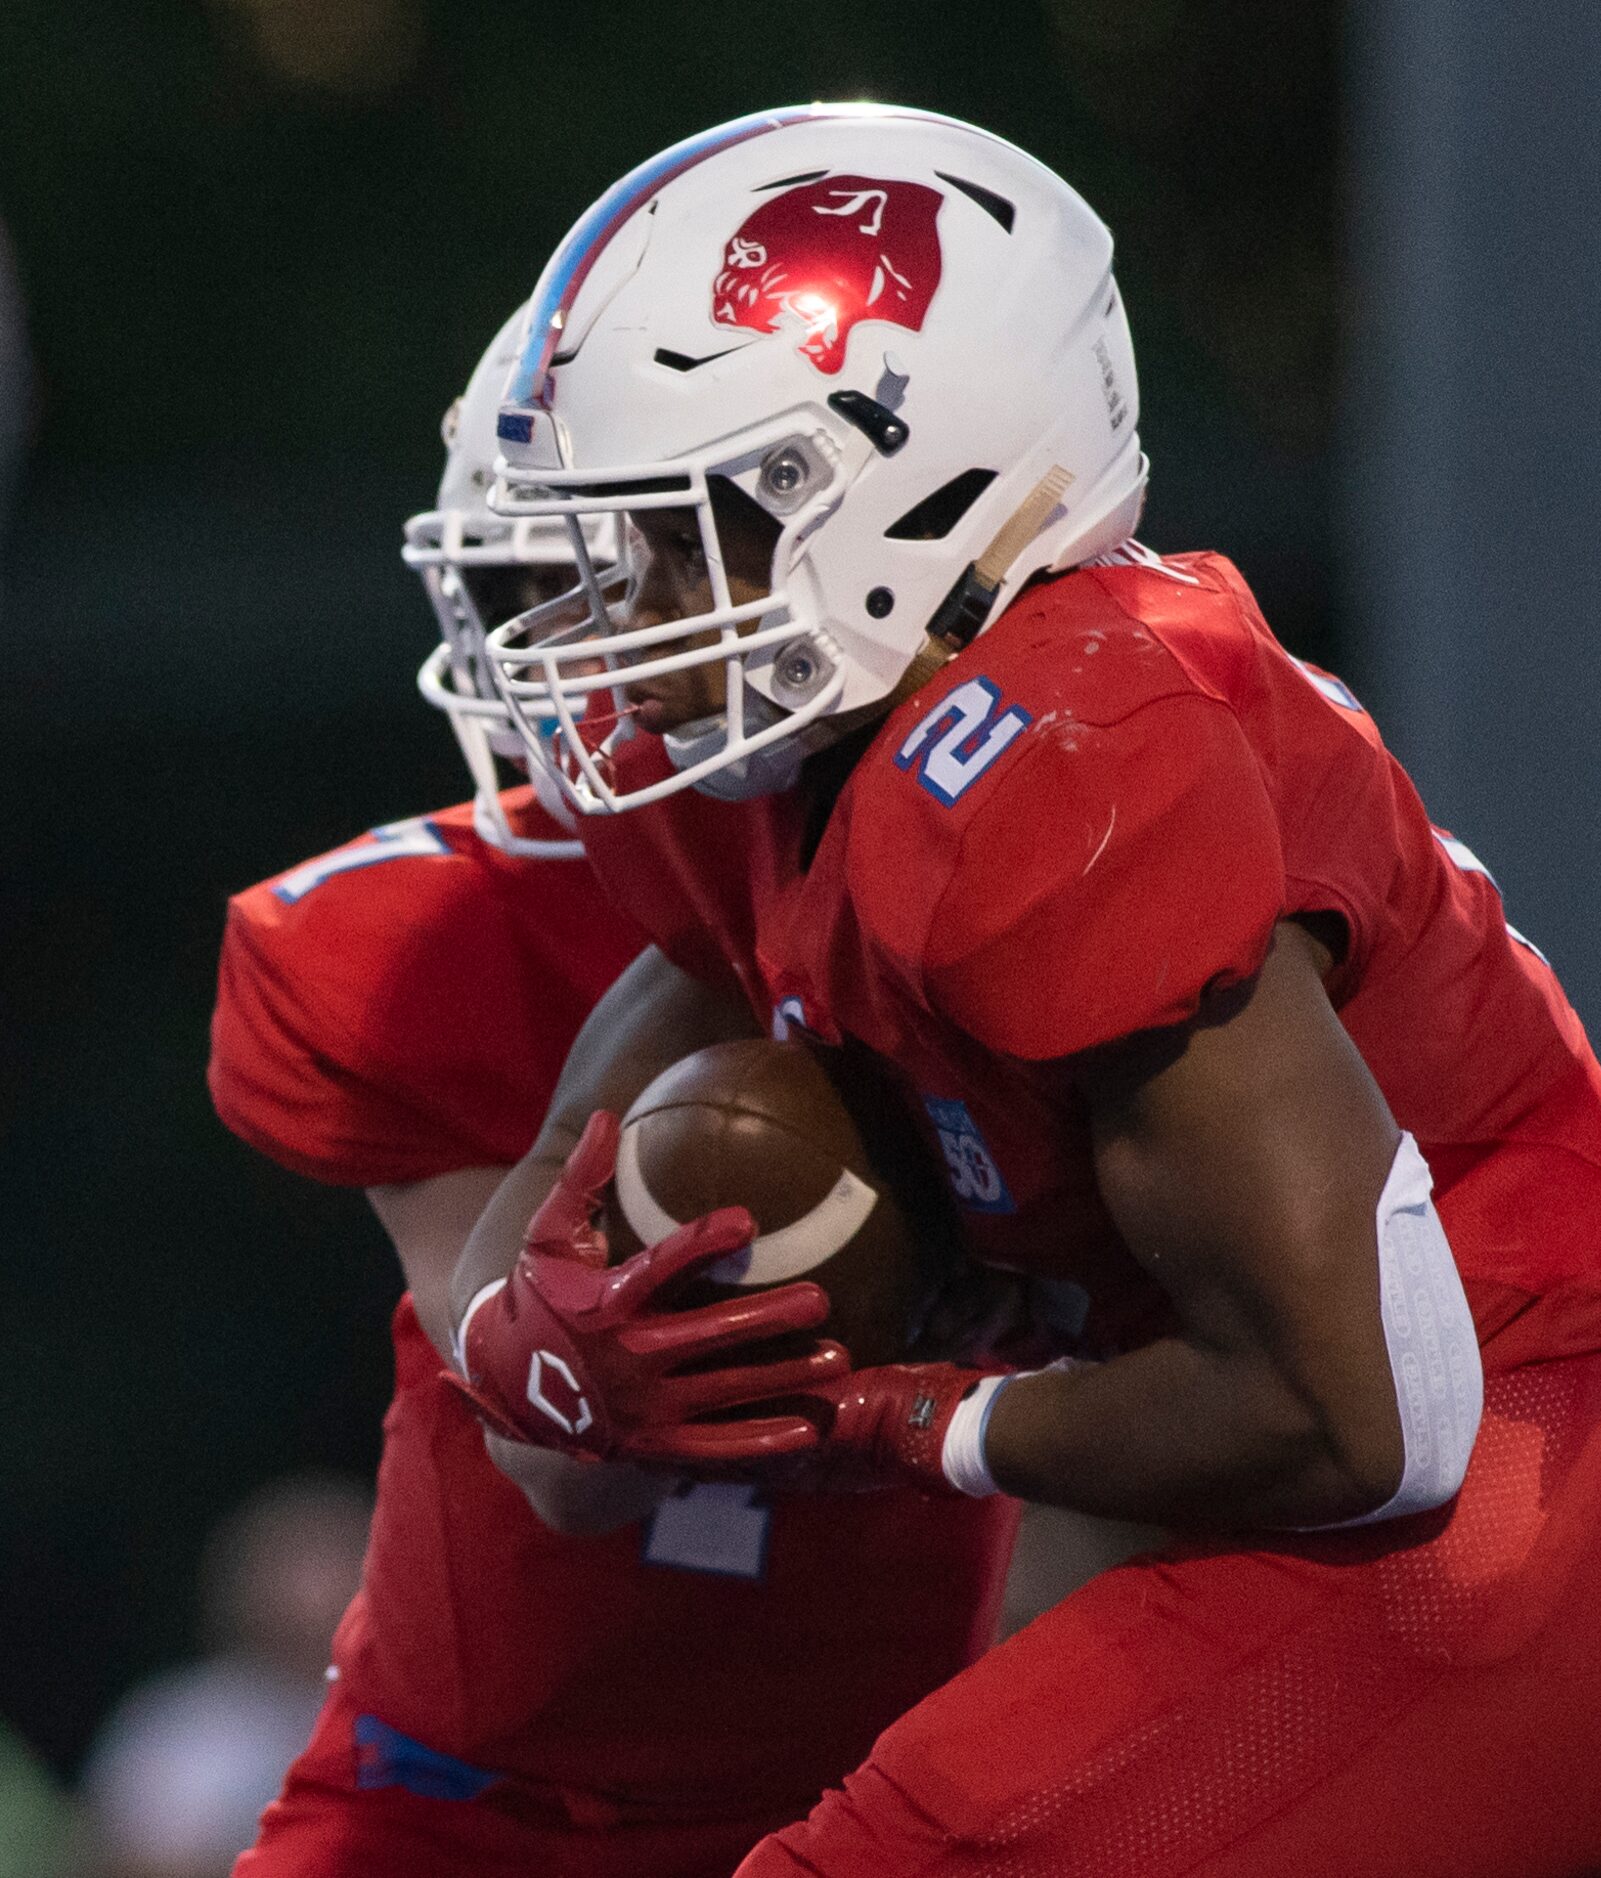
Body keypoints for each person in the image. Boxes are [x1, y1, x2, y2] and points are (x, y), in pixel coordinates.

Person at [443, 103, 1601, 1875]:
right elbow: (585, 1130)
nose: (627, 603)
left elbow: (1358, 1412)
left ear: (910, 485)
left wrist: (910, 1417)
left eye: (686, 531)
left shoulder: (1055, 762)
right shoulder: (801, 789)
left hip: (1529, 1523)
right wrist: (532, 1345)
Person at [207, 311, 1018, 1878]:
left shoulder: (991, 856)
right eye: (546, 589)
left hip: (902, 1780)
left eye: (640, 569)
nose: (602, 639)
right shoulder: (408, 948)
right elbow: (551, 1453)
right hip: (463, 1787)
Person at [81, 1476, 367, 1878]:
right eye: (293, 1564)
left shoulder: (430, 1723)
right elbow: (137, 1857)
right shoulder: (183, 1725)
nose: (312, 1595)